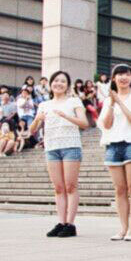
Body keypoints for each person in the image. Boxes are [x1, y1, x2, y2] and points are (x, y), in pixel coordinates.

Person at [29, 71, 88, 239]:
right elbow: (31, 131)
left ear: (67, 85)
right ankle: (61, 222)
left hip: (70, 146)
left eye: (63, 81)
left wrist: (66, 116)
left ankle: (70, 224)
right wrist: (37, 119)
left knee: (70, 186)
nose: (59, 83)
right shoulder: (44, 105)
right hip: (52, 147)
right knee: (58, 188)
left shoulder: (74, 101)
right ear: (51, 84)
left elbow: (84, 123)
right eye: (56, 81)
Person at [99, 64, 131, 242]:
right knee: (119, 189)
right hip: (113, 145)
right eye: (119, 74)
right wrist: (112, 104)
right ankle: (123, 227)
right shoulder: (108, 101)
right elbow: (106, 125)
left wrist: (120, 102)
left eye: (126, 74)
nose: (122, 77)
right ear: (113, 79)